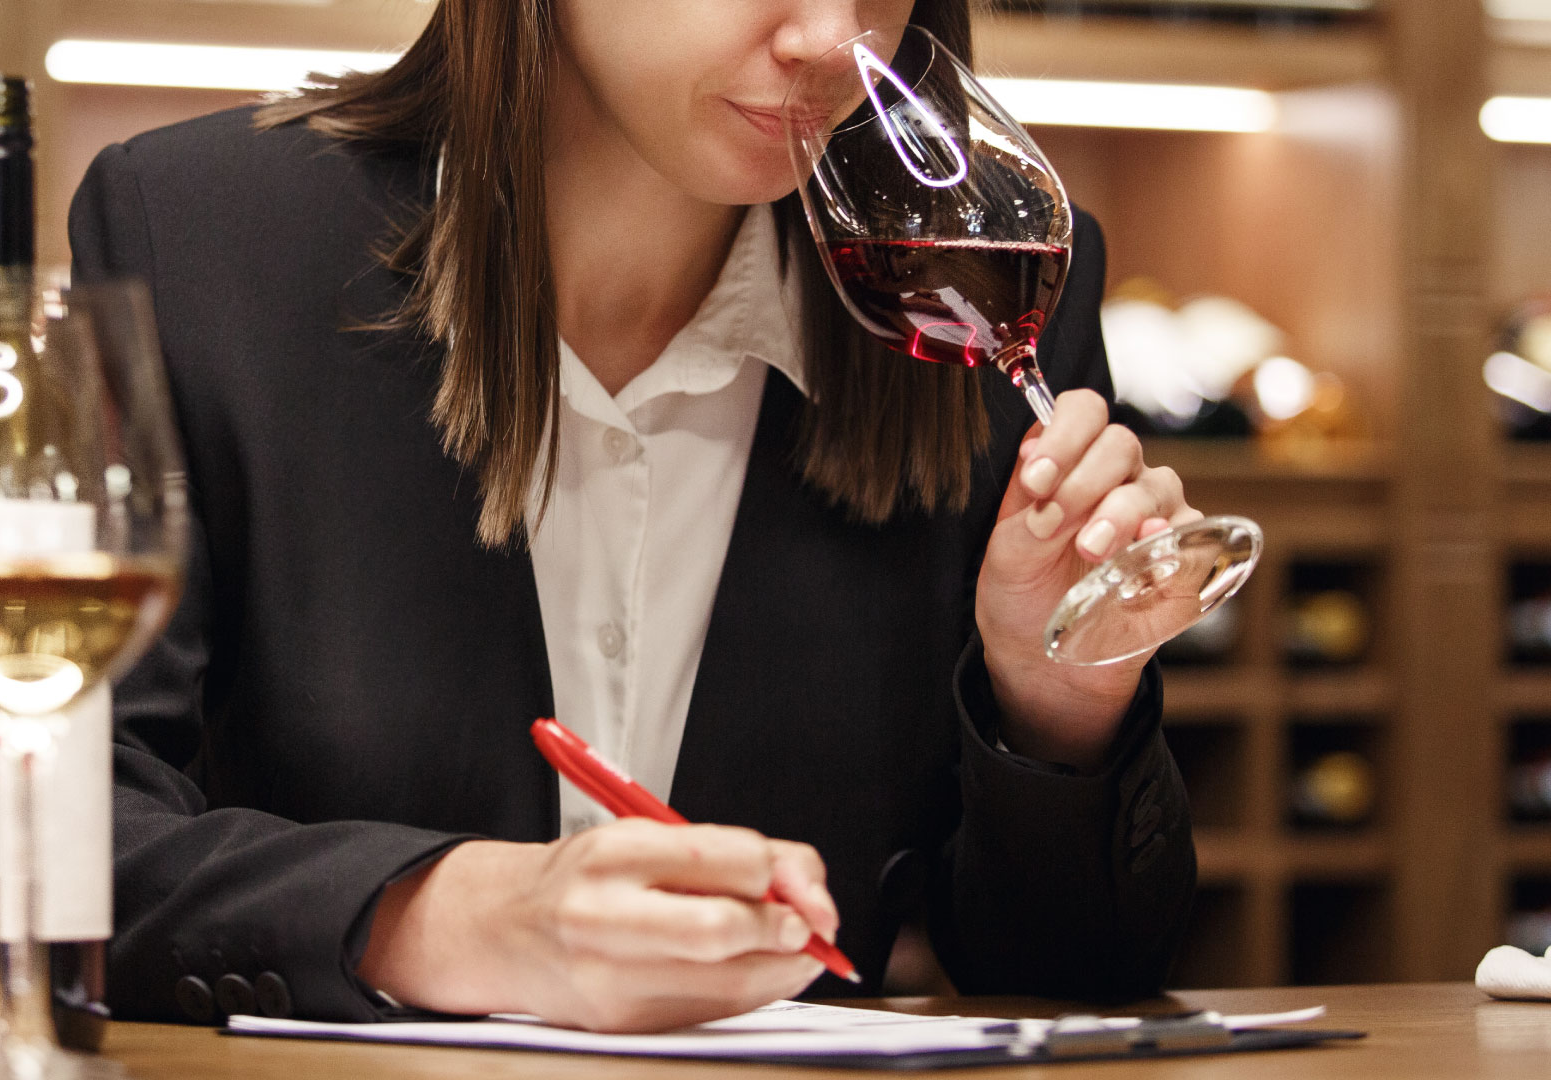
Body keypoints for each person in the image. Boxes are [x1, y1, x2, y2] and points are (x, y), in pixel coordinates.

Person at [69, 0, 1198, 1035]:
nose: (828, 37)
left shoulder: (960, 298)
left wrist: (1052, 713)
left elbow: (1076, 977)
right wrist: (447, 920)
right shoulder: (197, 243)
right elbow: (53, 836)